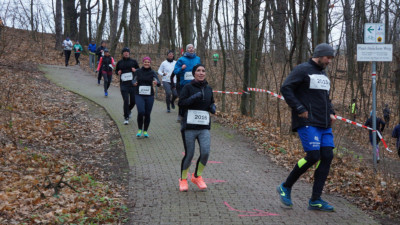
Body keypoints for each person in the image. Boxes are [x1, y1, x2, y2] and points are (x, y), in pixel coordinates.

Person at [277, 43, 336, 212]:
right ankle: (285, 186)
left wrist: (331, 112)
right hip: (308, 121)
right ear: (319, 55)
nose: (329, 61)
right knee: (313, 156)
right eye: (328, 57)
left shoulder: (323, 74)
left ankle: (315, 200)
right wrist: (299, 108)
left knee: (327, 156)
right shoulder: (302, 70)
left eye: (331, 58)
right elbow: (286, 88)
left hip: (324, 123)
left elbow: (325, 98)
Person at [178, 64, 216, 192]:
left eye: (203, 71)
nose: (201, 73)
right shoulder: (188, 87)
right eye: (198, 71)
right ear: (194, 73)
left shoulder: (209, 88)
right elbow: (181, 103)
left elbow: (211, 101)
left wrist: (212, 107)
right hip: (189, 126)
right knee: (190, 154)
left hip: (204, 126)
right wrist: (193, 98)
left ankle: (196, 176)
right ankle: (183, 179)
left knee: (205, 152)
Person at [133, 57, 161, 137]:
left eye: (148, 62)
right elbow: (133, 80)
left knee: (147, 113)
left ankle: (145, 131)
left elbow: (158, 82)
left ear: (150, 63)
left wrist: (156, 82)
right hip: (139, 95)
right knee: (141, 112)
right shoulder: (138, 71)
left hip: (149, 96)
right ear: (143, 62)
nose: (147, 63)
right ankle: (139, 129)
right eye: (145, 62)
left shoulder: (152, 72)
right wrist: (134, 83)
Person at [174, 44, 201, 122]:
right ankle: (180, 114)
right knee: (183, 100)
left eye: (192, 48)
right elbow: (176, 71)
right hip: (184, 84)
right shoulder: (181, 59)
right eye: (189, 48)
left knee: (195, 99)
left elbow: (201, 69)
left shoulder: (198, 59)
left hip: (195, 83)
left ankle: (192, 116)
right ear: (186, 50)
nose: (191, 49)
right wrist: (181, 68)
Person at [115, 47, 139, 125]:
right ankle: (126, 117)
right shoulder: (120, 62)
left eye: (127, 52)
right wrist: (117, 72)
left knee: (133, 101)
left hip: (132, 84)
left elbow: (139, 70)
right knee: (126, 100)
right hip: (124, 85)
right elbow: (116, 70)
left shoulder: (133, 62)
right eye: (124, 52)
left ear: (129, 53)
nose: (126, 53)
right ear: (122, 54)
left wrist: (135, 71)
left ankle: (128, 110)